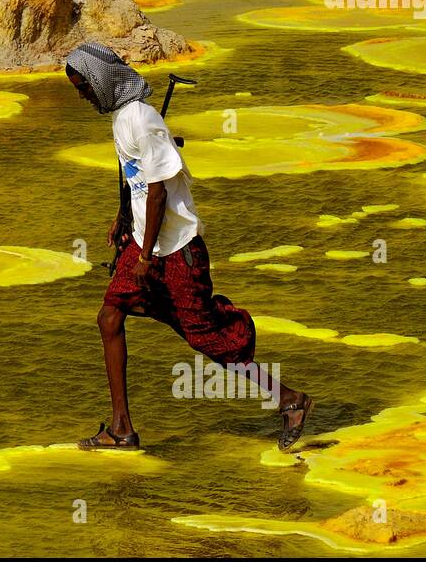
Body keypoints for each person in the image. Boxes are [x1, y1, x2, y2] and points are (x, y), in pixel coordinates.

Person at [64, 42, 313, 451]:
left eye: (84, 85)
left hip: (175, 251)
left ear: (102, 78)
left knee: (208, 337)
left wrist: (144, 257)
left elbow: (160, 192)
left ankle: (289, 400)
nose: (83, 94)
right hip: (146, 245)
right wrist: (124, 219)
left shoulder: (142, 121)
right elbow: (138, 184)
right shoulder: (123, 119)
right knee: (110, 318)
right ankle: (122, 428)